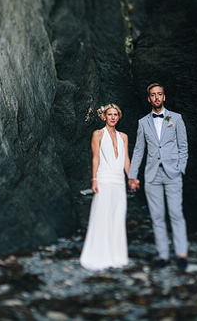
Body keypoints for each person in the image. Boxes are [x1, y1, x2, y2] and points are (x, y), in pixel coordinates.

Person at [128, 83, 189, 271]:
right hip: (152, 175)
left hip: (173, 173)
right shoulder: (142, 122)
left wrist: (180, 168)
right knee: (157, 216)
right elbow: (138, 150)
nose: (156, 98)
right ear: (149, 99)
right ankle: (163, 256)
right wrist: (132, 175)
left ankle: (181, 254)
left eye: (159, 94)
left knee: (176, 213)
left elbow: (183, 146)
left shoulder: (176, 118)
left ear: (164, 97)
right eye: (153, 95)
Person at [79, 103, 131, 270]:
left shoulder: (124, 136)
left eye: (116, 114)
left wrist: (132, 177)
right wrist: (94, 179)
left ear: (119, 116)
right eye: (110, 114)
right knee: (103, 214)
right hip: (104, 178)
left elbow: (126, 159)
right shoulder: (98, 134)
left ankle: (117, 255)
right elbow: (95, 158)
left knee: (118, 215)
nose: (113, 117)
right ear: (105, 116)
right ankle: (99, 254)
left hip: (119, 180)